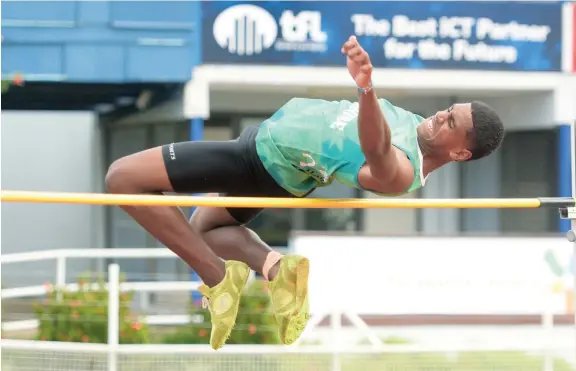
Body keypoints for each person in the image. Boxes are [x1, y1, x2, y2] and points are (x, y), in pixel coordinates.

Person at [105, 35, 504, 350]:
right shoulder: (421, 129)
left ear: (460, 152)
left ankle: (216, 277)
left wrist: (366, 90)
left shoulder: (401, 173)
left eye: (450, 121)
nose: (439, 116)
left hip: (260, 160)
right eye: (447, 109)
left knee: (122, 178)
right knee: (204, 229)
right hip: (274, 164)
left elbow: (376, 148)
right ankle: (277, 269)